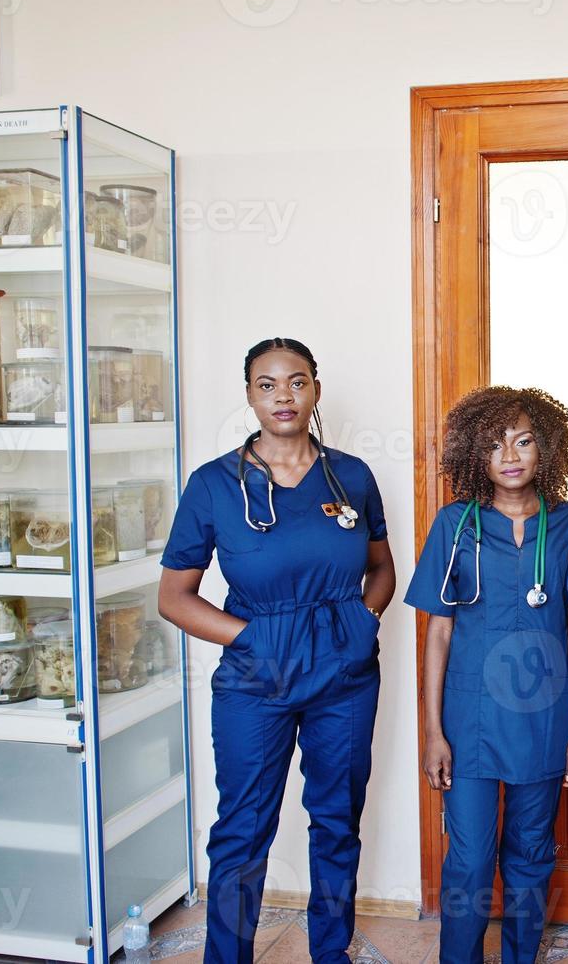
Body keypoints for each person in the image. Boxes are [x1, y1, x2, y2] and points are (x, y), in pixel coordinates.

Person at [158, 337, 395, 964]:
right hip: (255, 678)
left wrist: (363, 622)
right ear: (248, 396)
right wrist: (254, 638)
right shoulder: (213, 485)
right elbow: (174, 598)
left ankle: (330, 952)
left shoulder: (352, 476)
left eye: (296, 381)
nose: (283, 396)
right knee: (242, 830)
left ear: (315, 388)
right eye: (267, 384)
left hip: (344, 674)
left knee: (338, 819)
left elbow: (382, 568)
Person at [404, 386, 568, 964]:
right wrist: (433, 730)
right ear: (474, 455)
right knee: (467, 859)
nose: (510, 455)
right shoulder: (455, 525)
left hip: (545, 716)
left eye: (524, 440)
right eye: (494, 444)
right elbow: (437, 631)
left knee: (532, 851)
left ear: (548, 448)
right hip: (469, 720)